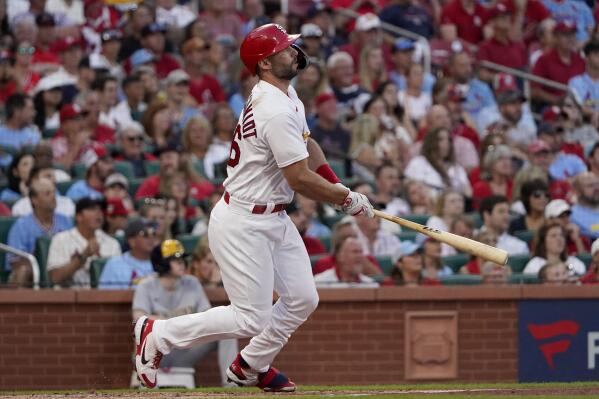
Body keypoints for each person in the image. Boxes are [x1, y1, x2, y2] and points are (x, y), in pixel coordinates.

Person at [133, 24, 375, 392]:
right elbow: (298, 177)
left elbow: (308, 149)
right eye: (285, 48)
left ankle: (250, 364)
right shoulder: (273, 109)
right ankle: (158, 333)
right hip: (243, 219)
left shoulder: (287, 96)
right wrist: (344, 200)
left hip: (274, 215)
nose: (294, 51)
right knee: (249, 318)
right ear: (264, 63)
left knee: (303, 298)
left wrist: (339, 185)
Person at [132, 239, 238, 388]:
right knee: (145, 333)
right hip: (156, 352)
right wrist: (170, 323)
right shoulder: (146, 286)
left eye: (182, 259)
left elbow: (208, 316)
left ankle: (232, 386)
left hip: (185, 349)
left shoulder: (192, 283)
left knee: (226, 332)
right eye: (176, 259)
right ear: (162, 262)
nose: (182, 263)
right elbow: (138, 318)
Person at [5, 177, 72, 286]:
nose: (53, 196)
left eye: (54, 192)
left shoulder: (66, 221)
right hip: (33, 275)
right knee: (22, 271)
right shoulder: (21, 226)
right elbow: (15, 263)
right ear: (34, 199)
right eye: (47, 193)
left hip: (62, 269)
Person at [46, 198, 121, 288]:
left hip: (103, 297)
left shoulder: (112, 243)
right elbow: (55, 278)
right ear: (79, 216)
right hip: (70, 297)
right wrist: (83, 256)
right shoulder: (61, 239)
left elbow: (118, 280)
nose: (98, 213)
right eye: (92, 209)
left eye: (100, 209)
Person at [99, 220, 157, 290]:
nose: (151, 238)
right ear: (131, 241)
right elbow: (106, 296)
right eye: (145, 234)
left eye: (153, 234)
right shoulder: (115, 264)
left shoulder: (162, 263)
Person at [313, 236, 379, 288]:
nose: (360, 256)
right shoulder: (320, 283)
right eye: (355, 252)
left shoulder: (371, 285)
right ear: (340, 257)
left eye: (361, 252)